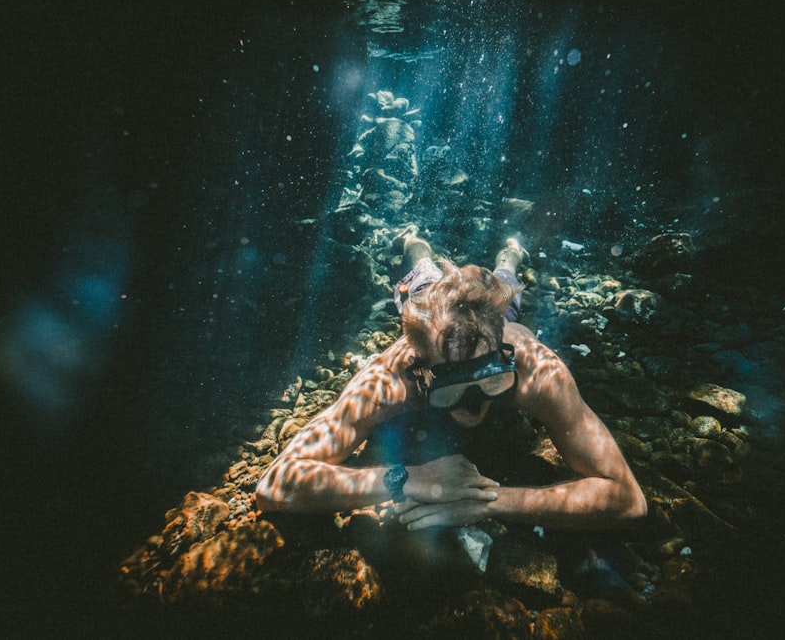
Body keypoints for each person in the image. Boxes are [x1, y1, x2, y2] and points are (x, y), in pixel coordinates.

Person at [255, 228, 647, 531]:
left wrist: (490, 501)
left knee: (506, 290)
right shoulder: (389, 381)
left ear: (502, 355)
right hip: (428, 305)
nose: (474, 403)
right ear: (420, 370)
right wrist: (407, 478)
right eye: (453, 387)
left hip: (497, 315)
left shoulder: (533, 369)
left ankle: (510, 254)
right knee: (421, 278)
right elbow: (277, 482)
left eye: (489, 377)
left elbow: (626, 498)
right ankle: (415, 242)